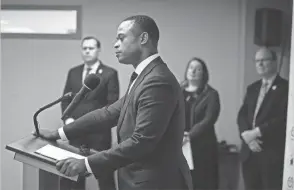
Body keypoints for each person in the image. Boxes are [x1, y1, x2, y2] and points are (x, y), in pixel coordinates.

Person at [34, 15, 193, 190]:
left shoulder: (157, 80)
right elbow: (108, 113)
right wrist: (59, 133)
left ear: (143, 38)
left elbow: (141, 142)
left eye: (121, 37)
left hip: (155, 183)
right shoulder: (146, 76)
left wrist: (86, 163)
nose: (115, 44)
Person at [60, 36, 118, 190]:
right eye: (84, 48)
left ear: (98, 50)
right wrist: (67, 120)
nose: (87, 51)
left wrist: (96, 123)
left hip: (98, 134)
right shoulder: (74, 72)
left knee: (105, 178)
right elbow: (66, 99)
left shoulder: (109, 73)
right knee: (73, 177)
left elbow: (112, 104)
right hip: (76, 134)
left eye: (91, 48)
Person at [237, 47, 289, 190]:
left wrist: (256, 132)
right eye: (257, 61)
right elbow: (242, 115)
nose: (259, 64)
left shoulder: (286, 88)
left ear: (274, 62)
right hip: (249, 152)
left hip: (271, 153)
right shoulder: (252, 88)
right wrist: (246, 136)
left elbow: (283, 119)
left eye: (263, 60)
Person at [181, 57, 220, 190]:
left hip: (202, 147)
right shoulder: (177, 91)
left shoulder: (211, 94)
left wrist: (188, 136)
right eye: (191, 67)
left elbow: (208, 120)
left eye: (198, 69)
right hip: (180, 146)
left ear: (204, 74)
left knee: (202, 184)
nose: (193, 71)